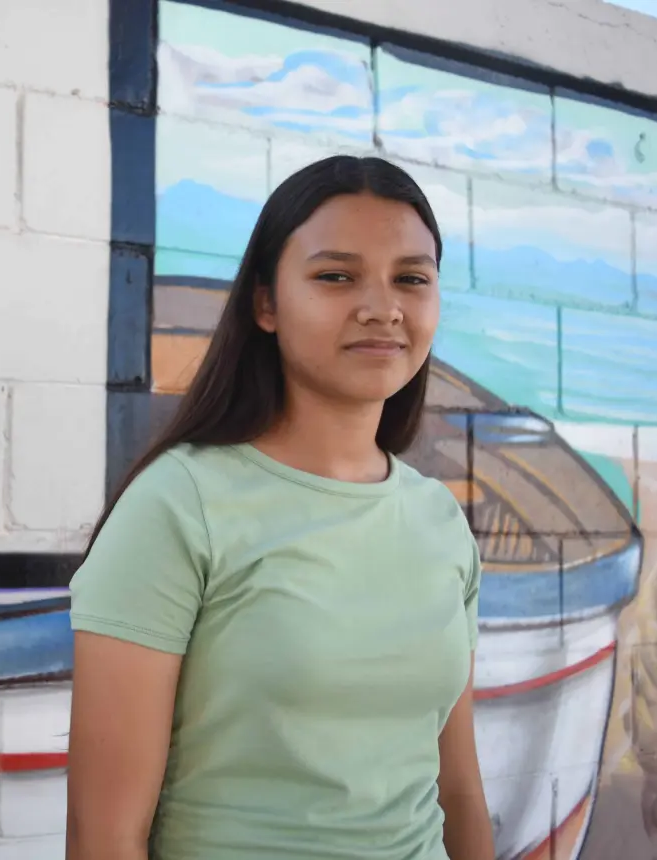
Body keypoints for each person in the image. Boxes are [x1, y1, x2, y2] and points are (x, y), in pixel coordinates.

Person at [65, 155, 493, 860]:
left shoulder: (441, 522)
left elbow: (461, 791)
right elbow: (103, 835)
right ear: (266, 303)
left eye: (410, 279)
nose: (382, 306)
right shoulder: (180, 504)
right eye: (336, 276)